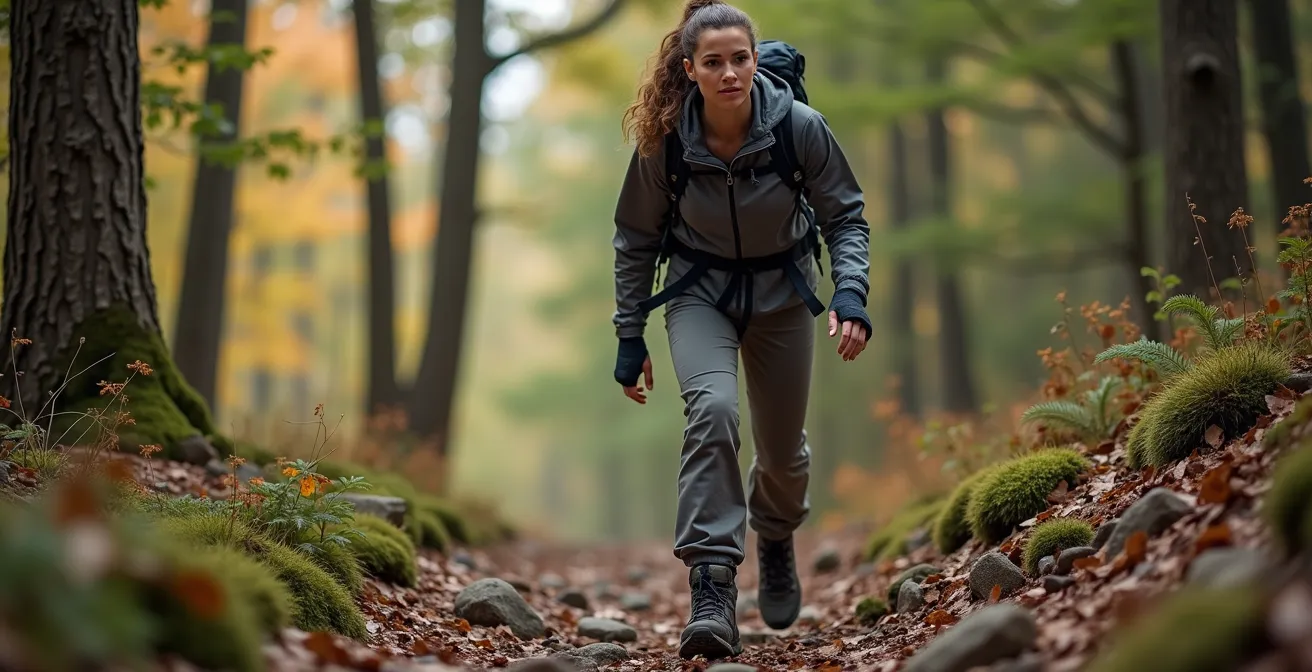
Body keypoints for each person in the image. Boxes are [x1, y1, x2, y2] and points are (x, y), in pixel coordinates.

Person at [610, 0, 871, 660]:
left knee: (782, 454)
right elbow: (636, 238)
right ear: (689, 69)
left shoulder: (799, 128)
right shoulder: (665, 142)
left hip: (784, 297)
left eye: (741, 59)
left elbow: (846, 217)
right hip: (701, 296)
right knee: (713, 410)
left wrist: (850, 293)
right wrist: (629, 333)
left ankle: (776, 537)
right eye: (714, 63)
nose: (730, 74)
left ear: (756, 62)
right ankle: (713, 586)